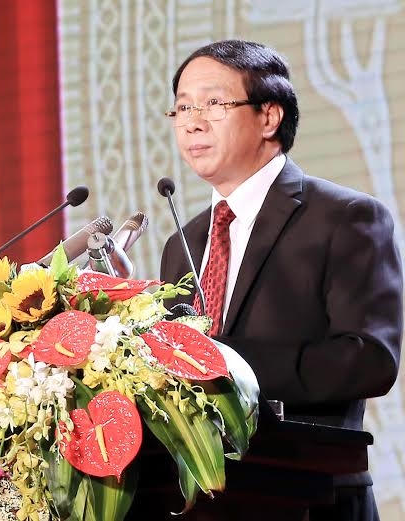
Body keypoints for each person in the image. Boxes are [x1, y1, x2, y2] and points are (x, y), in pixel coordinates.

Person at [159, 40, 403, 521]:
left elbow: (370, 359)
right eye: (183, 107)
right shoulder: (182, 242)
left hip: (311, 497)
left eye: (213, 103)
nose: (192, 122)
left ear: (269, 117)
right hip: (206, 503)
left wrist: (224, 365)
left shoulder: (345, 217)